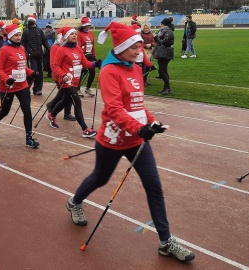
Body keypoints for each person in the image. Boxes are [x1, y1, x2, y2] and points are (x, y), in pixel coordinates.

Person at [66, 22, 195, 262]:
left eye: (140, 46)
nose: (140, 50)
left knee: (154, 185)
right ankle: (74, 202)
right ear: (122, 47)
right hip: (113, 140)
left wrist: (152, 122)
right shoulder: (108, 71)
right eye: (135, 47)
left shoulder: (135, 68)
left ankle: (165, 241)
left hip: (137, 140)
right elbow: (114, 109)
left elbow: (137, 104)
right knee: (100, 178)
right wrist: (139, 128)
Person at [0, 24, 39, 148]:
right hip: (8, 86)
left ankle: (29, 138)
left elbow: (22, 66)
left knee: (27, 110)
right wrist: (6, 79)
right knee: (4, 111)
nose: (18, 37)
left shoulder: (21, 48)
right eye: (15, 35)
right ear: (10, 36)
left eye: (19, 34)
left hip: (22, 85)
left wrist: (31, 72)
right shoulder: (4, 50)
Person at [47, 27, 100, 138]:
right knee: (77, 102)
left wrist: (95, 64)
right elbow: (54, 65)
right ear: (66, 37)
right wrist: (63, 75)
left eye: (76, 34)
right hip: (67, 81)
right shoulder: (61, 49)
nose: (75, 36)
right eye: (72, 34)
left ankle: (51, 115)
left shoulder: (78, 48)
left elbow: (84, 63)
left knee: (65, 101)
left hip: (76, 80)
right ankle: (85, 129)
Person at [46, 27, 75, 121]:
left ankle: (52, 105)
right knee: (68, 95)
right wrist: (60, 74)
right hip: (60, 75)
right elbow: (53, 63)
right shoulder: (56, 47)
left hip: (69, 75)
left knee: (63, 94)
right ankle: (66, 113)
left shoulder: (67, 46)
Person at [21, 14, 50, 95]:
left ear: (34, 21)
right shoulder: (26, 31)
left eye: (31, 21)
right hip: (31, 56)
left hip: (39, 55)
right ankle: (26, 87)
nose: (30, 22)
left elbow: (45, 41)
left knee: (40, 72)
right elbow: (22, 44)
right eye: (29, 21)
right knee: (33, 72)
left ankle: (37, 89)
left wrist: (51, 51)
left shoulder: (39, 31)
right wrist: (26, 53)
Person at [77, 16, 97, 97]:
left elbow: (93, 45)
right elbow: (78, 46)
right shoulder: (79, 34)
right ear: (83, 26)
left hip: (90, 55)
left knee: (92, 72)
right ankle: (77, 89)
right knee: (81, 72)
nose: (88, 27)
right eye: (87, 25)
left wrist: (94, 54)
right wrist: (81, 56)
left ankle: (88, 88)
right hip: (83, 55)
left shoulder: (91, 33)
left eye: (89, 25)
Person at [154, 18, 174, 95]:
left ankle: (167, 88)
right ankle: (166, 87)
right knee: (163, 70)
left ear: (163, 24)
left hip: (165, 52)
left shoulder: (168, 31)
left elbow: (165, 43)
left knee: (162, 70)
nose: (160, 25)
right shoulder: (163, 30)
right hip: (161, 52)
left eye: (161, 23)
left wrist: (156, 37)